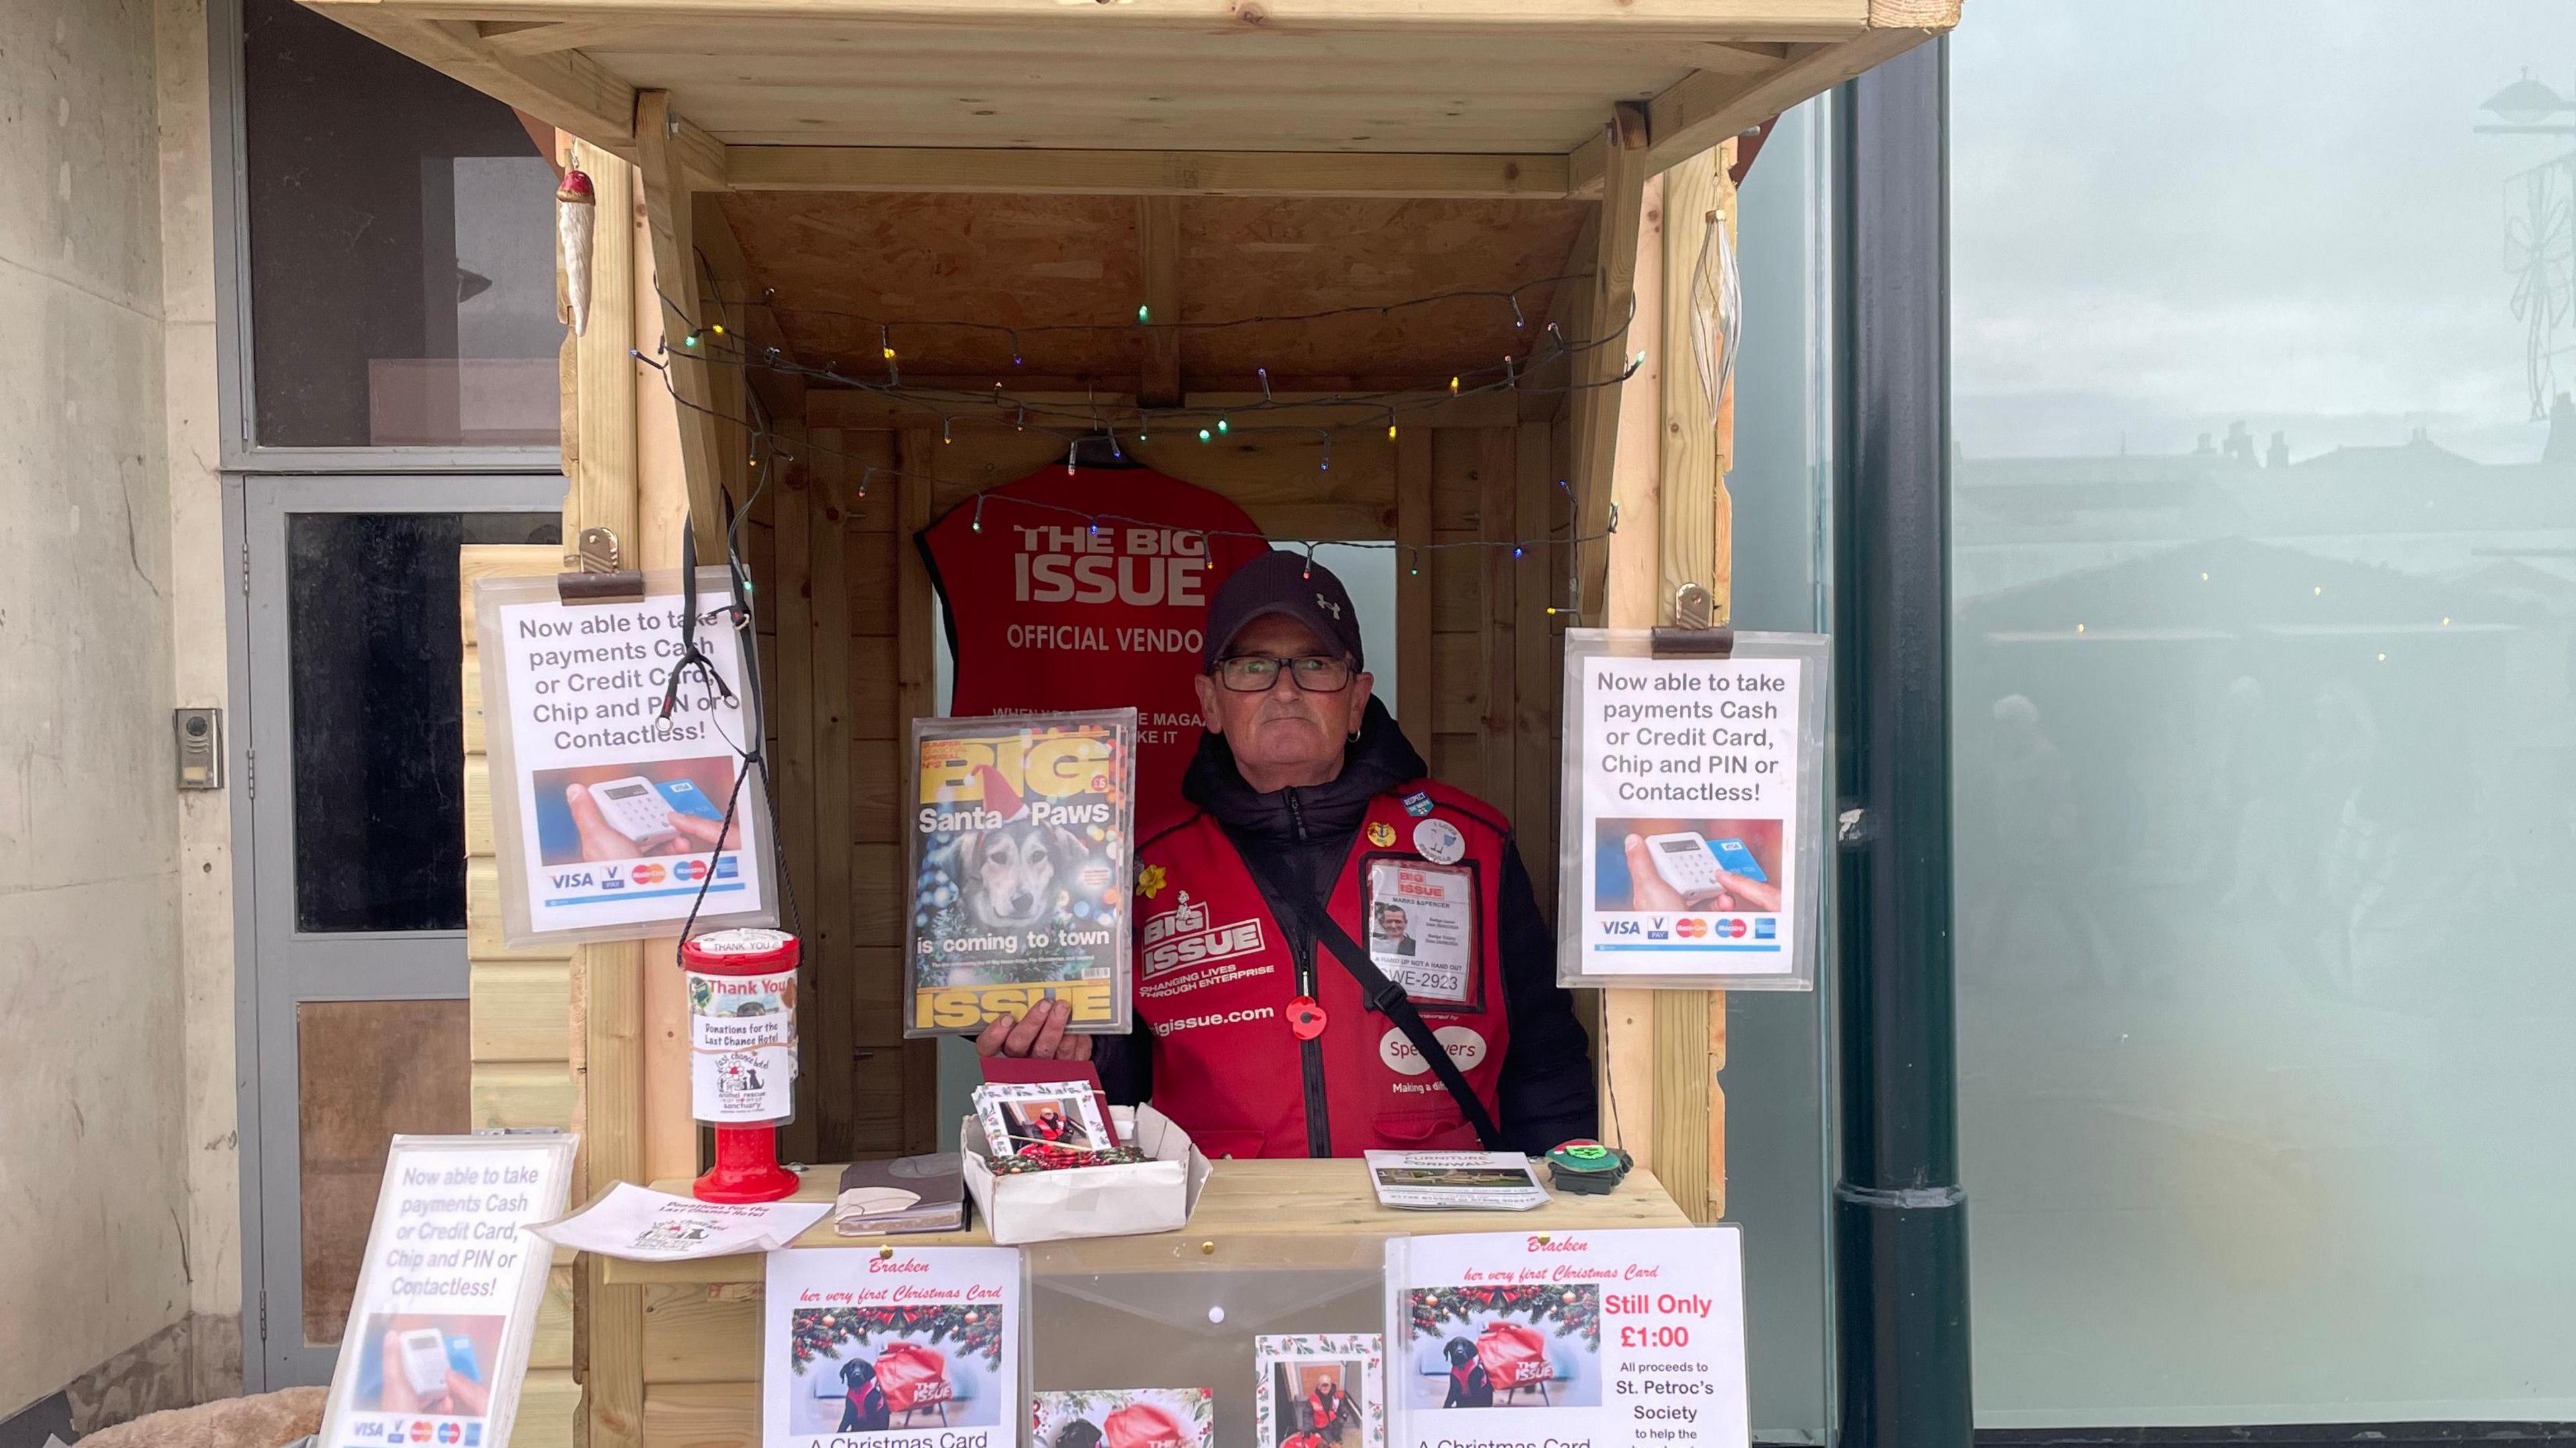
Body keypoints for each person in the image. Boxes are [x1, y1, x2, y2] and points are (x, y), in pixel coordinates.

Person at [977, 551, 1595, 1157]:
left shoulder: (1473, 844)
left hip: (1433, 1228)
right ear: (1210, 702)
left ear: (1356, 699)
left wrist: (1574, 1205)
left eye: (1315, 663)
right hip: (1217, 1235)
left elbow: (1545, 1057)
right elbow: (1123, 1092)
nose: (1285, 690)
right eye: (1252, 667)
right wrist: (1065, 1055)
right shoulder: (1134, 871)